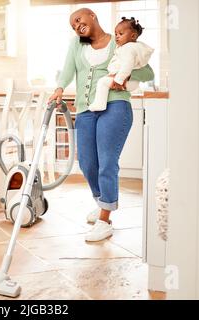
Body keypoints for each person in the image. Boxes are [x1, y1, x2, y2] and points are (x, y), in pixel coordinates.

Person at [48, 8, 154, 242]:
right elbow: (68, 70)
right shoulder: (77, 45)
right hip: (86, 109)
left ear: (92, 16)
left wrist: (125, 77)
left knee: (107, 162)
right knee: (87, 163)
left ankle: (105, 219)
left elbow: (147, 72)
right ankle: (103, 202)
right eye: (72, 25)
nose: (76, 26)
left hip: (115, 107)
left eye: (78, 20)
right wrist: (58, 89)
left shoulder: (120, 40)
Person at [89, 17, 154, 111]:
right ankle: (100, 103)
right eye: (116, 34)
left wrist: (118, 79)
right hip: (130, 83)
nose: (117, 36)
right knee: (103, 82)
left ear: (133, 36)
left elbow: (127, 65)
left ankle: (100, 104)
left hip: (124, 81)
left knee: (102, 82)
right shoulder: (131, 48)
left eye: (121, 34)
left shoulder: (128, 49)